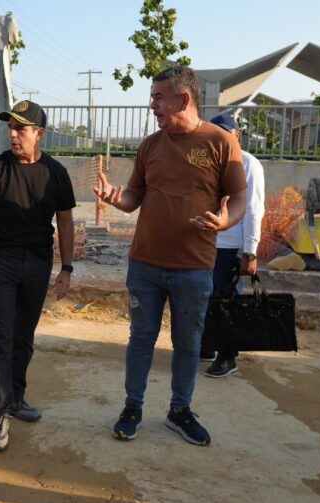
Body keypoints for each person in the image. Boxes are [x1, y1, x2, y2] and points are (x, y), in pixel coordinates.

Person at [94, 67, 247, 446]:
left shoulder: (221, 142)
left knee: (189, 343)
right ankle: (133, 408)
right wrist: (117, 198)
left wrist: (227, 219)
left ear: (184, 99)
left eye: (159, 97)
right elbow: (134, 197)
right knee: (140, 338)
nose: (152, 105)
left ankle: (180, 411)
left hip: (194, 266)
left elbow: (240, 197)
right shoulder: (150, 145)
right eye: (152, 97)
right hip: (145, 264)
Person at [0, 100, 76, 452]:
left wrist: (67, 268)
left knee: (23, 337)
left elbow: (66, 222)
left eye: (21, 129)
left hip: (38, 263)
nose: (13, 135)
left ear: (39, 134)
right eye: (10, 128)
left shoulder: (56, 173)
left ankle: (16, 398)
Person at [201, 114, 266, 378]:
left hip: (231, 247)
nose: (218, 138)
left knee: (226, 301)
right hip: (207, 242)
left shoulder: (248, 163)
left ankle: (228, 355)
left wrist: (250, 251)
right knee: (205, 298)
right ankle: (207, 346)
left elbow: (254, 210)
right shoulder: (208, 162)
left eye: (224, 133)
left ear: (236, 135)